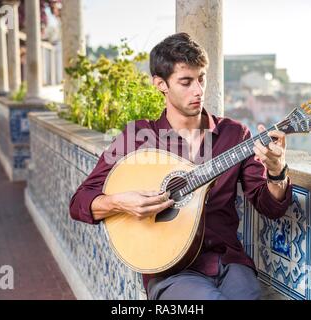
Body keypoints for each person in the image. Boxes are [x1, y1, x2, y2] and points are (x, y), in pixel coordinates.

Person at [69, 32, 292, 300]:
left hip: (229, 262)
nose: (198, 90)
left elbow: (270, 207)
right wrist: (120, 202)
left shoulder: (235, 136)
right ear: (161, 84)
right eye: (186, 82)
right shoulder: (138, 137)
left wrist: (276, 171)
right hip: (171, 271)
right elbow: (79, 202)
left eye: (201, 79)